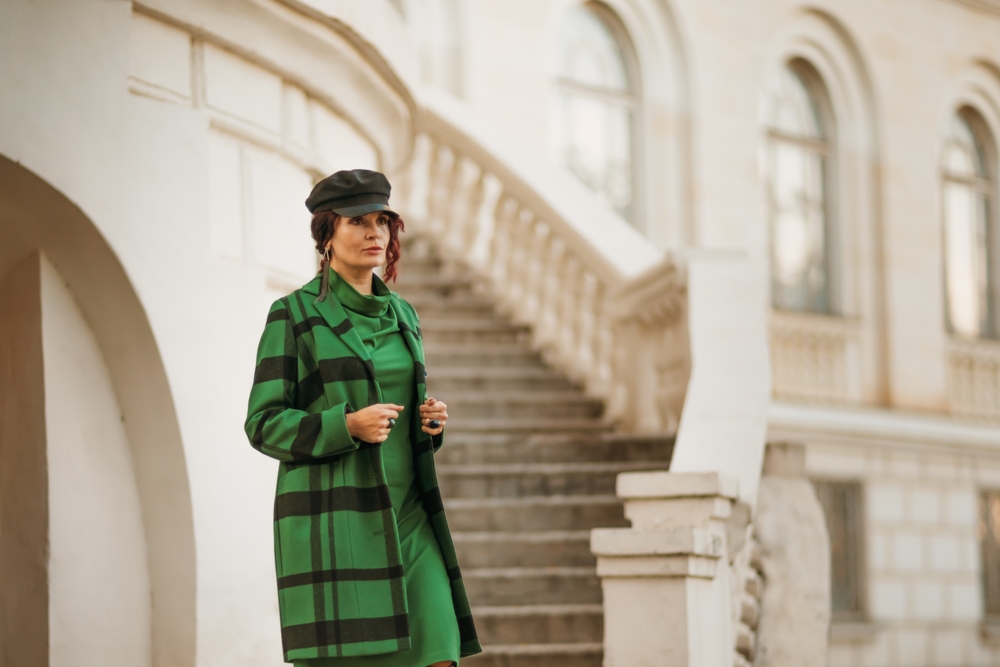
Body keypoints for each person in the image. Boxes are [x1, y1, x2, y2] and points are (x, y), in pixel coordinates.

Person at [245, 169, 481, 666]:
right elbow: (262, 422)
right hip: (339, 522)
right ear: (327, 235)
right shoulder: (293, 314)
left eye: (383, 221)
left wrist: (430, 423)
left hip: (410, 516)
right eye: (359, 222)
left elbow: (400, 407)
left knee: (441, 653)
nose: (376, 233)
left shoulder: (404, 314)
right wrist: (345, 426)